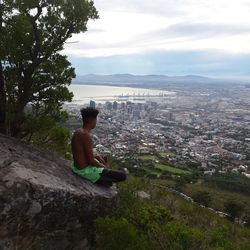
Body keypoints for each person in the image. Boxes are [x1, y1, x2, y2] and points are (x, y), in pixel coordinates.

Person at [70, 107, 126, 187]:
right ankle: (102, 178)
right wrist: (105, 168)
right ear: (92, 120)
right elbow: (91, 161)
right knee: (122, 176)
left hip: (77, 167)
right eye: (96, 119)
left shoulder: (78, 131)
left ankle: (104, 180)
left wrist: (98, 158)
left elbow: (85, 154)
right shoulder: (85, 135)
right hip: (85, 171)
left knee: (102, 158)